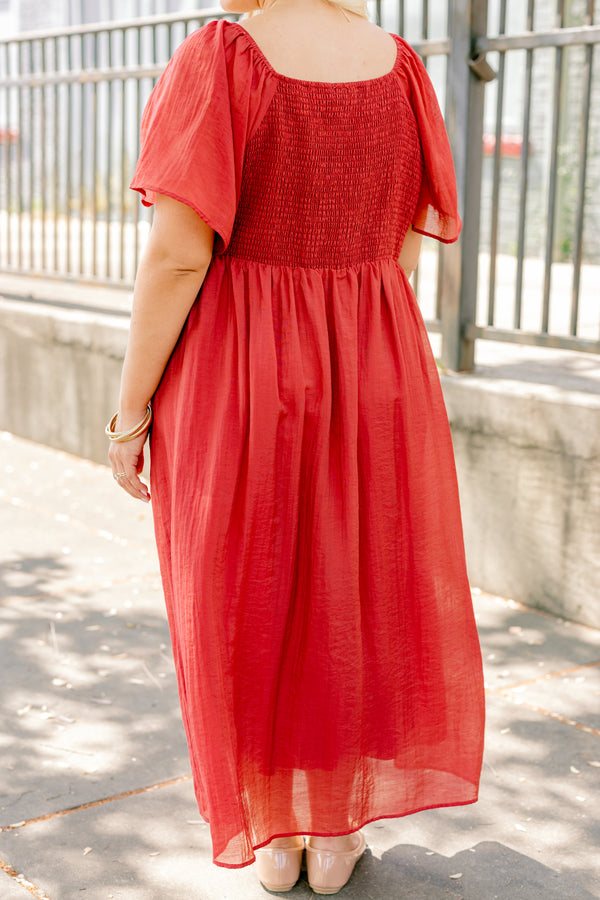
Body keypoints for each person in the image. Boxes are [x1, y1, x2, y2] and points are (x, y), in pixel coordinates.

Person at [107, 0, 485, 893]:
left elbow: (178, 256)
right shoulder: (399, 67)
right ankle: (337, 825)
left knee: (249, 587)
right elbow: (403, 245)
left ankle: (274, 830)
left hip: (242, 370)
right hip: (372, 360)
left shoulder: (222, 57)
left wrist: (130, 411)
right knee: (349, 587)